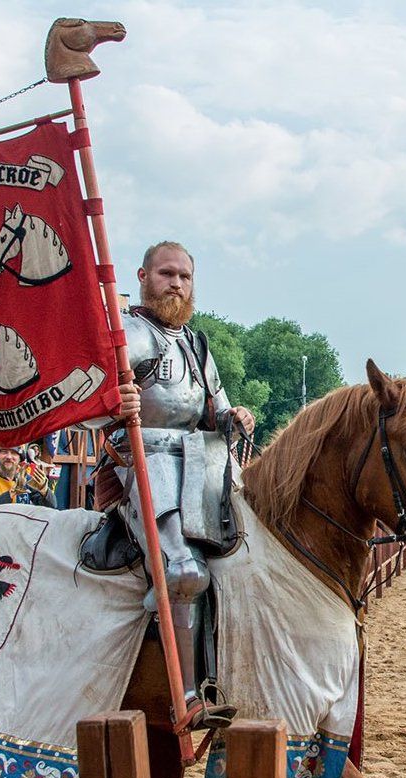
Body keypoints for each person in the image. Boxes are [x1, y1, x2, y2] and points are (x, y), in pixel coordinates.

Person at [96, 240, 256, 729]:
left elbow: (214, 407)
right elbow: (85, 402)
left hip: (200, 465)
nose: (177, 284)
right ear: (143, 276)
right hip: (143, 463)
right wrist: (112, 401)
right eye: (167, 274)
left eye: (185, 277)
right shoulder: (128, 333)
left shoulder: (196, 343)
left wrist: (235, 416)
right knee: (183, 573)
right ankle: (185, 699)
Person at [0, 443, 54, 509]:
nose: (9, 457)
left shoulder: (26, 479)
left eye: (13, 453)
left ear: (20, 458)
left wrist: (45, 492)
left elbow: (51, 507)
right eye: (4, 452)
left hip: (21, 526)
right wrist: (12, 493)